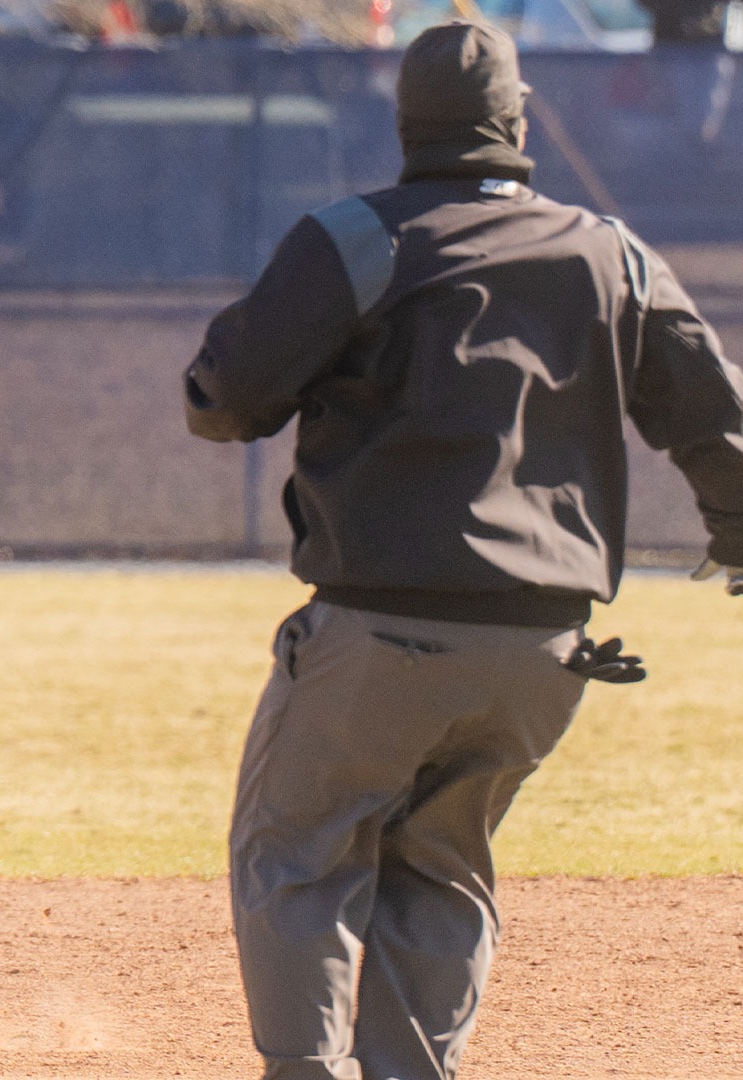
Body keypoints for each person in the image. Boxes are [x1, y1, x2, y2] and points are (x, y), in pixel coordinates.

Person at [182, 21, 743, 1080]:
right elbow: (715, 419)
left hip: (380, 630)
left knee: (298, 852)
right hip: (543, 651)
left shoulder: (359, 238)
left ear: (406, 125)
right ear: (519, 123)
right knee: (440, 865)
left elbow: (227, 399)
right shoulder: (609, 250)